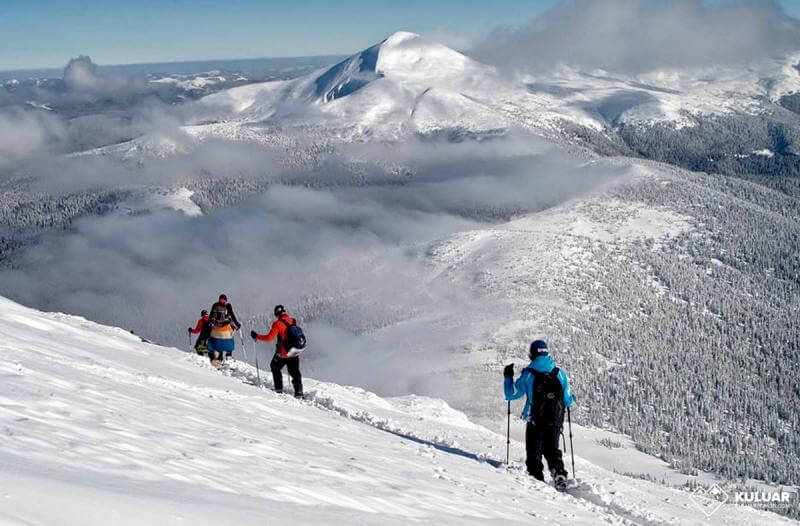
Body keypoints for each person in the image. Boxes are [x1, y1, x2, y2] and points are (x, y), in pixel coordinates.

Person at [504, 339, 574, 490]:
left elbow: (511, 394)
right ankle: (559, 472)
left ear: (532, 354)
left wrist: (508, 377)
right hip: (555, 421)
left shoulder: (529, 375)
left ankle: (537, 481)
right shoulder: (559, 373)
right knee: (552, 449)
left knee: (534, 452)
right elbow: (568, 401)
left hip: (535, 420)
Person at [250, 304, 303, 398]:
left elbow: (269, 338)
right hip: (295, 351)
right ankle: (299, 393)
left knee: (275, 367)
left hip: (283, 353)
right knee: (295, 372)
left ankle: (278, 389)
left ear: (276, 314)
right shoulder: (293, 320)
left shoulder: (277, 324)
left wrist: (257, 336)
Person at [206, 294, 241, 365]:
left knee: (217, 342)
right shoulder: (228, 305)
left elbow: (211, 315)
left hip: (216, 328)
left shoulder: (215, 305)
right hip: (226, 327)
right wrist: (236, 323)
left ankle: (218, 358)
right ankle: (228, 354)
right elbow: (232, 315)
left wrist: (210, 323)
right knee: (229, 340)